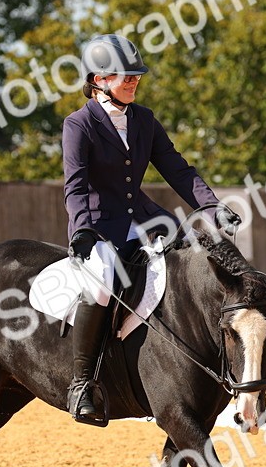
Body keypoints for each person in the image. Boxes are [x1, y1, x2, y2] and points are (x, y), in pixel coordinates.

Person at [62, 33, 240, 425]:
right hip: (100, 226)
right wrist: (82, 228)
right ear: (98, 79)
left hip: (146, 218)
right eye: (124, 76)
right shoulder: (79, 125)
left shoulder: (143, 119)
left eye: (136, 77)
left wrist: (211, 206)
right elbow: (75, 185)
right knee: (103, 278)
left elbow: (178, 169)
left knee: (194, 257)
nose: (133, 82)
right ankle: (82, 383)